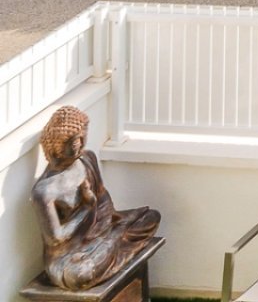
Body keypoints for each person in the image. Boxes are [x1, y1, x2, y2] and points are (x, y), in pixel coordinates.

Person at [32, 106, 161, 290]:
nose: (81, 146)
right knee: (79, 276)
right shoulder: (44, 191)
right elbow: (56, 239)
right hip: (69, 256)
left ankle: (113, 239)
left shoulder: (86, 160)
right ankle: (115, 239)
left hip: (101, 231)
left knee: (151, 217)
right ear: (58, 144)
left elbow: (102, 199)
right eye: (75, 143)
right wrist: (86, 207)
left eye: (83, 139)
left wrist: (110, 220)